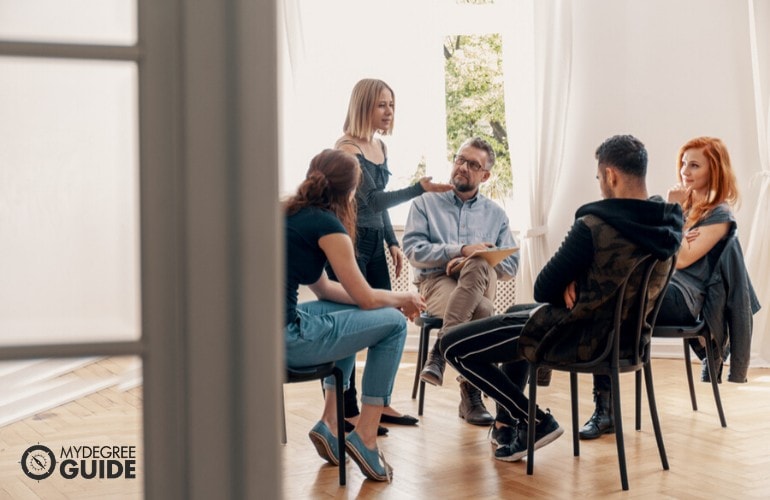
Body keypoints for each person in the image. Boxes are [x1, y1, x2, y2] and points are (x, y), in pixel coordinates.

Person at [440, 134, 683, 461]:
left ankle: (533, 419)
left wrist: (570, 277)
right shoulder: (668, 223)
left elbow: (543, 287)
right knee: (516, 310)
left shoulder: (594, 223)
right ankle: (505, 424)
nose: (599, 186)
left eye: (599, 178)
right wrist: (578, 278)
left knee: (452, 346)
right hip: (626, 339)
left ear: (610, 175)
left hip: (573, 336)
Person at [580, 136, 758, 440]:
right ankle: (605, 409)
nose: (685, 171)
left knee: (613, 298)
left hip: (683, 298)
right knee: (610, 299)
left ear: (714, 170)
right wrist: (674, 225)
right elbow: (644, 246)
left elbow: (681, 259)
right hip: (657, 287)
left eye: (694, 165)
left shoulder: (720, 215)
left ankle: (604, 407)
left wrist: (673, 216)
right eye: (683, 164)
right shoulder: (678, 208)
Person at [285, 149, 425, 482]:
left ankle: (331, 422)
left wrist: (381, 301)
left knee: (349, 309)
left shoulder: (290, 212)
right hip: (286, 340)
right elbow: (364, 294)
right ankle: (365, 436)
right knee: (392, 325)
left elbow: (325, 290)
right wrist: (403, 298)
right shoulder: (328, 225)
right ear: (351, 192)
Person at [327, 78, 452, 432]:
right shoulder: (346, 149)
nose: (389, 112)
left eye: (392, 105)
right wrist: (419, 189)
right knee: (349, 325)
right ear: (364, 105)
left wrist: (392, 242)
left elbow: (378, 205)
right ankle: (346, 409)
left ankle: (377, 404)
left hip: (373, 243)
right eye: (382, 105)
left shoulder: (379, 147)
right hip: (348, 243)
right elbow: (368, 201)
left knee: (391, 322)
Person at [402, 136, 519, 426]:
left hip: (479, 281)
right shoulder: (425, 203)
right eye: (460, 160)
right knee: (482, 312)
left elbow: (512, 265)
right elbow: (413, 250)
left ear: (486, 175)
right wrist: (459, 251)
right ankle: (471, 395)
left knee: (480, 264)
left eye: (473, 164)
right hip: (436, 282)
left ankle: (441, 350)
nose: (463, 167)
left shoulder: (496, 214)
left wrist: (474, 259)